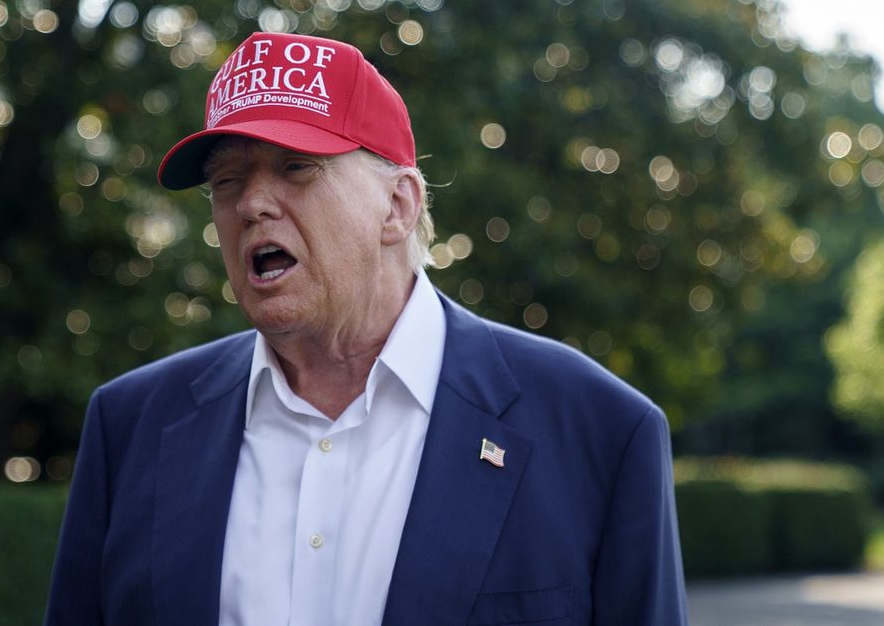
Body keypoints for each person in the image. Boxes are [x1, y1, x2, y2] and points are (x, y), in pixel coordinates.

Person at [45, 32, 687, 625]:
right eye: (226, 181)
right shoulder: (130, 425)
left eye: (297, 167)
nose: (251, 204)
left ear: (398, 206)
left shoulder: (599, 429)